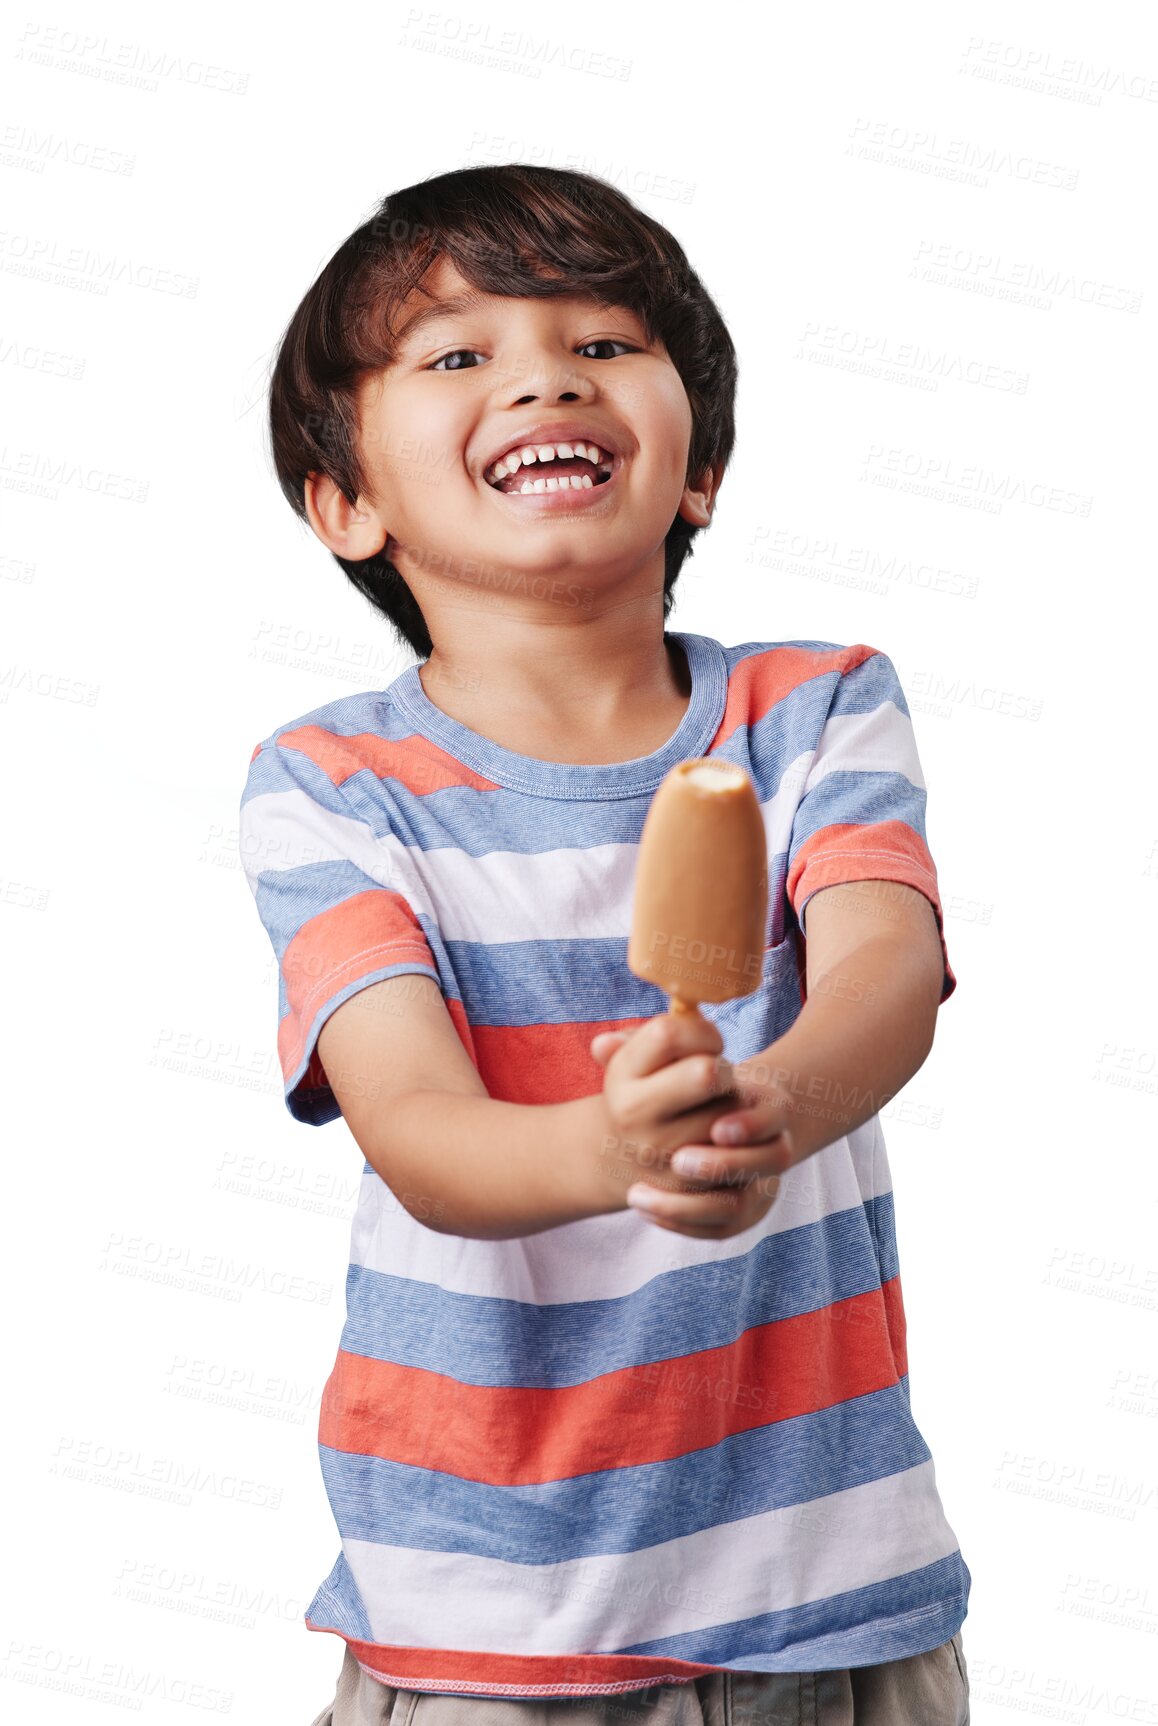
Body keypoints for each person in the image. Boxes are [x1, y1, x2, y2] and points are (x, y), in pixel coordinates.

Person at [238, 164, 971, 1726]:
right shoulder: (332, 786)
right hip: (490, 1617)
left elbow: (883, 972)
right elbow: (422, 1133)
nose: (544, 374)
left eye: (604, 341)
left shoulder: (816, 705)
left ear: (695, 467)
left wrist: (767, 1105)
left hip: (823, 1589)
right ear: (344, 503)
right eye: (455, 356)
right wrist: (612, 1143)